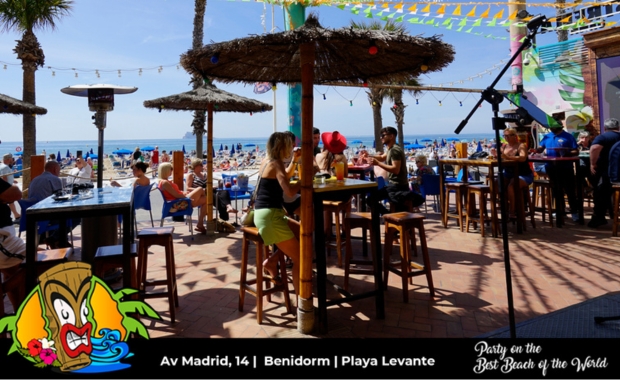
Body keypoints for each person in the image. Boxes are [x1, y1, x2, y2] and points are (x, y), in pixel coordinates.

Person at [254, 132, 301, 294]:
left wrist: (294, 160)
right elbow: (288, 191)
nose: (292, 147)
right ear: (283, 147)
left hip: (265, 213)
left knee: (303, 233)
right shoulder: (276, 163)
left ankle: (272, 262)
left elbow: (284, 176)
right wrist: (304, 180)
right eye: (290, 145)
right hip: (270, 217)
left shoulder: (267, 161)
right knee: (301, 259)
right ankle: (302, 305)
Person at [530, 113, 580, 222]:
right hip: (551, 167)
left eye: (552, 126)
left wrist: (567, 152)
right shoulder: (547, 136)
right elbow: (541, 148)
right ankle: (559, 211)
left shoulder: (568, 136)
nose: (550, 128)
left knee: (569, 190)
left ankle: (574, 212)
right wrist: (536, 150)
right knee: (556, 190)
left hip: (566, 167)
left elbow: (576, 150)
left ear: (558, 126)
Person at [367, 126, 424, 214]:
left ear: (391, 136)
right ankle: (389, 215)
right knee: (372, 199)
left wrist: (377, 163)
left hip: (397, 187)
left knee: (370, 200)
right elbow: (382, 157)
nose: (381, 137)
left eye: (383, 135)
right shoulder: (391, 148)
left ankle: (388, 216)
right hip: (395, 185)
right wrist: (368, 156)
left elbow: (395, 169)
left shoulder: (394, 150)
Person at [491, 127, 534, 218]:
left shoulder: (520, 146)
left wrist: (508, 157)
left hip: (523, 174)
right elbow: (502, 158)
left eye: (509, 135)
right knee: (496, 183)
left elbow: (522, 158)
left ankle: (512, 211)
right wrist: (495, 155)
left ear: (515, 136)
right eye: (505, 136)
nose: (506, 138)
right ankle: (505, 206)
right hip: (509, 173)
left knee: (511, 185)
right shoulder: (504, 147)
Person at [158, 162, 208, 234]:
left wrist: (184, 193)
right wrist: (187, 195)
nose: (172, 171)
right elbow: (176, 195)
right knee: (200, 189)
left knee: (206, 199)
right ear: (165, 170)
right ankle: (207, 211)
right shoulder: (165, 183)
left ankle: (200, 224)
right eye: (171, 169)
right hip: (178, 205)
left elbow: (176, 193)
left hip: (180, 202)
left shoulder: (166, 182)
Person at [588, 118, 620, 228]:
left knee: (600, 193)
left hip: (606, 170)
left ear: (605, 128)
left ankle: (598, 218)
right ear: (618, 127)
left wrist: (592, 163)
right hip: (617, 172)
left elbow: (594, 148)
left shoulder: (603, 137)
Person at [0, 153, 19, 221]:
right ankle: (16, 215)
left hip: (7, 187)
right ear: (8, 159)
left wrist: (13, 180)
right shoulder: (5, 167)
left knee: (11, 202)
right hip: (7, 188)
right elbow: (4, 178)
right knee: (9, 202)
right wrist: (7, 188)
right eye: (11, 158)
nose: (12, 160)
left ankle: (16, 215)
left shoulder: (4, 166)